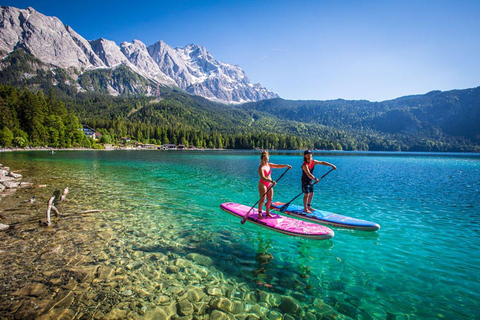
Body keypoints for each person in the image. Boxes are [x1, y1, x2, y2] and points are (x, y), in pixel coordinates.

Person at [258, 150, 292, 219]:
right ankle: (260, 214)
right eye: (265, 160)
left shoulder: (269, 165)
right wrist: (271, 181)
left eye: (267, 159)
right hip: (263, 184)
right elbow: (263, 177)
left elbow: (277, 166)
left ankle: (267, 213)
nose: (266, 161)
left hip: (269, 183)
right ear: (262, 159)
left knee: (270, 199)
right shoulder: (261, 167)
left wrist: (286, 165)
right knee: (262, 199)